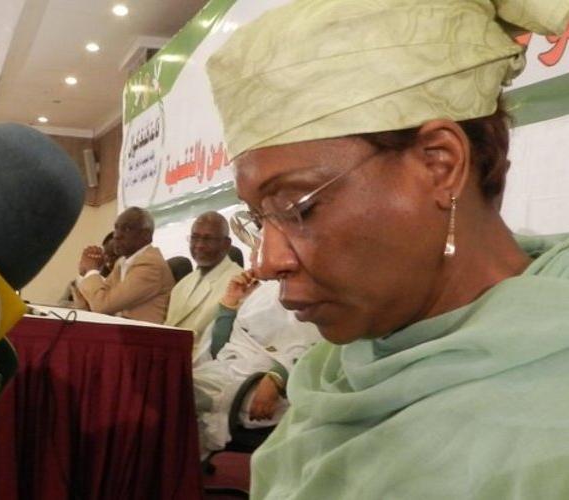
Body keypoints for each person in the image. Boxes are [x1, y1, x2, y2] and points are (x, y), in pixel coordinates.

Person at [206, 1, 569, 498]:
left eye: (298, 207)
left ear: (439, 165)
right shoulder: (332, 373)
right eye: (258, 219)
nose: (268, 263)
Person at [194, 250, 322, 456]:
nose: (252, 258)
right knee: (171, 390)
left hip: (262, 385)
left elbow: (314, 349)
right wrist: (230, 304)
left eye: (258, 252)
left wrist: (277, 376)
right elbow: (220, 352)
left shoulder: (303, 293)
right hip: (228, 373)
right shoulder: (258, 293)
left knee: (176, 394)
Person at [74, 207, 174, 324]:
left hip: (144, 333)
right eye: (116, 228)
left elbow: (102, 305)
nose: (117, 235)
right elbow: (91, 305)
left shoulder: (151, 265)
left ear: (146, 235)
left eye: (126, 229)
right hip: (122, 330)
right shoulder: (122, 262)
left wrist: (91, 270)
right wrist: (85, 273)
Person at [165, 211, 242, 354]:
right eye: (194, 238)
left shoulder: (240, 284)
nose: (199, 245)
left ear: (226, 244)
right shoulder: (182, 284)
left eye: (208, 239)